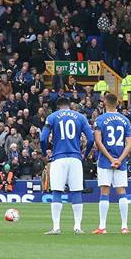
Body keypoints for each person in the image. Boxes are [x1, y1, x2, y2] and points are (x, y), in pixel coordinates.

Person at [41, 97, 94, 235]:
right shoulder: (80, 117)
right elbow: (91, 139)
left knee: (57, 192)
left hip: (59, 158)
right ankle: (77, 227)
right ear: (69, 105)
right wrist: (85, 153)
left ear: (58, 106)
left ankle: (56, 227)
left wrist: (44, 152)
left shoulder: (52, 117)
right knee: (76, 192)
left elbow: (42, 138)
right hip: (75, 158)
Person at [91, 93, 131, 235]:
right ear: (117, 104)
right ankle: (124, 226)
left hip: (105, 161)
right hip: (120, 161)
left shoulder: (100, 119)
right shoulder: (125, 120)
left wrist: (110, 159)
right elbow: (130, 143)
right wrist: (119, 159)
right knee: (122, 192)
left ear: (104, 103)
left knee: (104, 192)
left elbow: (98, 141)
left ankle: (102, 227)